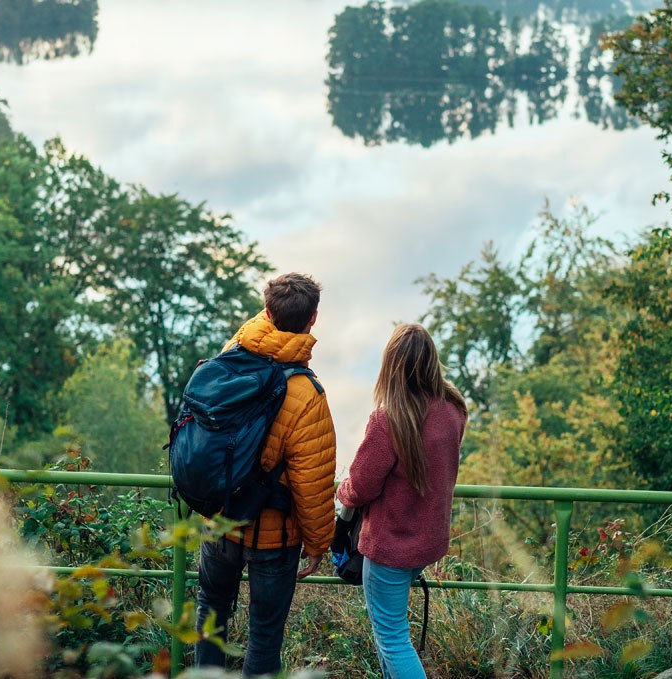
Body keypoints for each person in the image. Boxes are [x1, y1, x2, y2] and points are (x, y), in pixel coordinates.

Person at [194, 272, 337, 676]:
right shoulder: (309, 396)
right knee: (264, 634)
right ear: (314, 319)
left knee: (211, 614)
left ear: (267, 313)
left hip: (219, 520)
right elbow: (313, 485)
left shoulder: (231, 356)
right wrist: (318, 543)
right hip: (274, 536)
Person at [337, 323, 468, 679]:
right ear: (430, 361)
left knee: (393, 638)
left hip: (391, 546)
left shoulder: (387, 420)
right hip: (427, 541)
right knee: (390, 634)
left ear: (391, 365)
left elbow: (361, 486)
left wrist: (341, 490)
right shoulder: (453, 409)